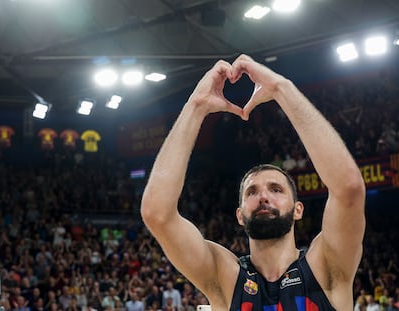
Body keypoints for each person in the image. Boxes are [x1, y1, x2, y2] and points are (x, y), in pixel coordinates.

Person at [141, 54, 366, 310]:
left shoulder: (326, 267)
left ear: (298, 209)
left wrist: (283, 89)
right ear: (239, 215)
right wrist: (195, 106)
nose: (263, 196)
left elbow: (348, 188)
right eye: (251, 192)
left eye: (276, 189)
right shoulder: (225, 277)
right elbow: (156, 213)